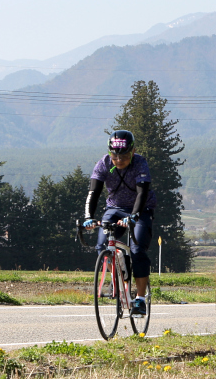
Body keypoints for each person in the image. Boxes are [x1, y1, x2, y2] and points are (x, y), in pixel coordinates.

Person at [83, 130, 156, 316]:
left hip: (140, 210)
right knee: (102, 245)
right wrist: (88, 217)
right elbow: (94, 192)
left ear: (133, 151)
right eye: (114, 156)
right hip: (114, 209)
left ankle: (140, 299)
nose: (119, 160)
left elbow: (142, 193)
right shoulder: (103, 164)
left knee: (138, 250)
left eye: (123, 156)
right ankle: (118, 278)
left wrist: (134, 215)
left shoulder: (140, 163)